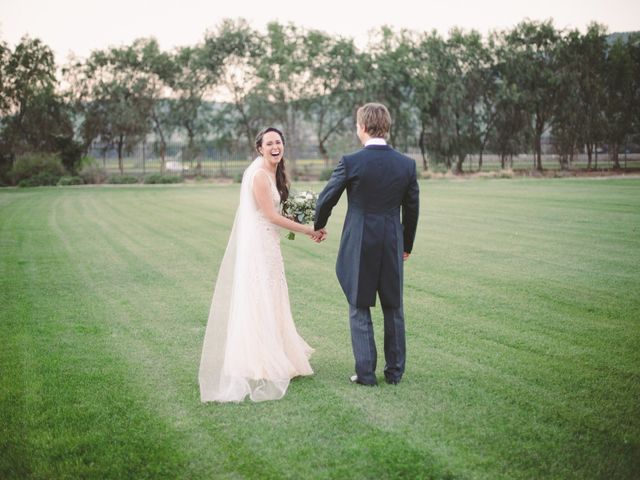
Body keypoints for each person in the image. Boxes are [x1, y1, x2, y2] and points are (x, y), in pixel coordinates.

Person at [199, 127, 325, 403]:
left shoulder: (274, 173)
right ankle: (261, 360)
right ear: (260, 148)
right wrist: (307, 229)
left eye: (278, 142)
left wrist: (299, 214)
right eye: (269, 143)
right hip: (259, 245)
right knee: (261, 296)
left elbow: (279, 211)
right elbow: (269, 215)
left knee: (274, 294)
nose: (275, 146)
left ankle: (277, 351)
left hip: (270, 243)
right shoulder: (258, 175)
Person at [314, 103, 419, 386]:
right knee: (393, 306)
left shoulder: (351, 161)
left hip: (359, 241)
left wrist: (317, 224)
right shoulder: (406, 164)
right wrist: (406, 245)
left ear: (361, 127)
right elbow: (411, 210)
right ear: (387, 127)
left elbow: (327, 199)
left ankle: (365, 373)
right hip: (391, 241)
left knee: (359, 304)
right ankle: (395, 373)